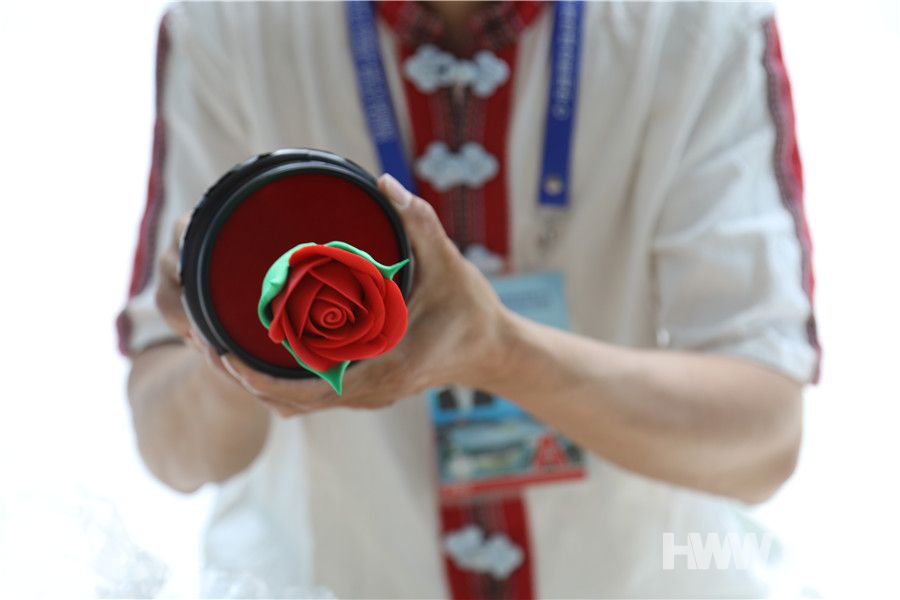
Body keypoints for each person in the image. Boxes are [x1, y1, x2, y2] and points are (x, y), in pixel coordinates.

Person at [118, 1, 819, 597]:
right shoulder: (230, 22)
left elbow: (765, 439)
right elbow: (171, 447)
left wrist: (500, 352)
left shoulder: (695, 22)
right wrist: (233, 339)